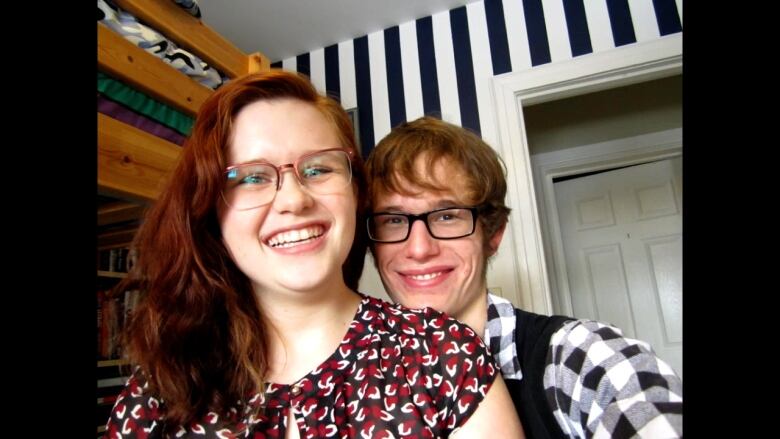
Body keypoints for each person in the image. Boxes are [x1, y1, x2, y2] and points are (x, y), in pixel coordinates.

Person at [104, 72, 524, 438]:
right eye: (251, 177)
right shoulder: (160, 385)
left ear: (355, 193)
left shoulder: (446, 354)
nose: (293, 199)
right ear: (212, 210)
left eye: (319, 169)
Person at [365, 116, 683, 438]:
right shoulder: (357, 378)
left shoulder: (575, 355)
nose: (418, 249)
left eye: (447, 216)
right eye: (393, 220)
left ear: (493, 233)